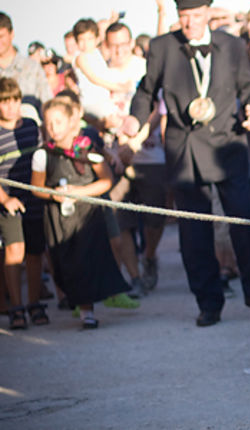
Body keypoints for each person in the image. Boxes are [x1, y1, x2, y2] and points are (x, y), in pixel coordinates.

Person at [126, 0, 250, 327]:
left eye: (195, 15)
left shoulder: (233, 45)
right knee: (194, 232)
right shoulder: (162, 46)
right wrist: (135, 119)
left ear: (209, 12)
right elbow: (146, 90)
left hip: (227, 144)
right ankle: (208, 302)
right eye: (183, 16)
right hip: (185, 151)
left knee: (245, 221)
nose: (189, 22)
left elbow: (249, 86)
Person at [31, 96, 130, 330]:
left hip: (86, 215)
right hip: (57, 219)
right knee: (63, 262)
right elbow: (37, 189)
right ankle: (74, 300)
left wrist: (80, 192)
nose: (54, 128)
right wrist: (54, 194)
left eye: (58, 122)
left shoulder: (87, 149)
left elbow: (106, 181)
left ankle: (88, 311)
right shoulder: (43, 154)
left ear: (70, 123)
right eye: (49, 123)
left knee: (86, 260)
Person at [106, 22, 167, 295]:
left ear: (131, 42)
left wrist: (134, 142)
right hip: (114, 158)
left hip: (150, 156)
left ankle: (150, 256)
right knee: (122, 221)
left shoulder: (146, 67)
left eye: (123, 43)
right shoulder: (100, 73)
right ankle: (135, 277)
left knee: (155, 219)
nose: (118, 49)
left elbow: (158, 109)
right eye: (113, 44)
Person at [0, 77, 47, 329]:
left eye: (15, 101)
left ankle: (34, 302)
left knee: (34, 253)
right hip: (7, 200)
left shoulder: (30, 126)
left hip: (33, 198)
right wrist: (6, 198)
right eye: (4, 102)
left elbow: (40, 159)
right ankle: (15, 306)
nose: (11, 106)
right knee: (14, 251)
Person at [0, 12, 52, 123]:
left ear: (11, 34)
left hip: (31, 134)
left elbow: (47, 105)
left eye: (1, 36)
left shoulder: (32, 67)